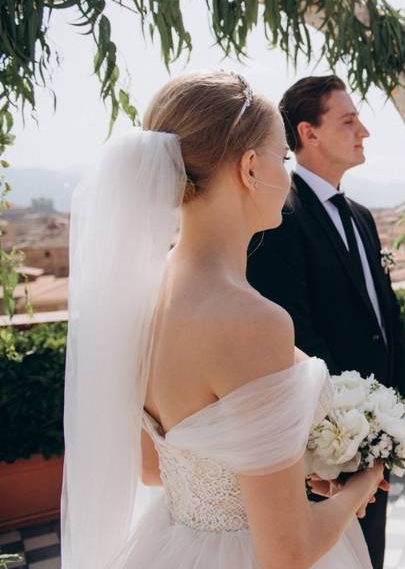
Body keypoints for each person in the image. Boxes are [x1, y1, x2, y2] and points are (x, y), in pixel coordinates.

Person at [61, 71, 386, 569]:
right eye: (282, 157)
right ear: (251, 167)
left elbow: (155, 468)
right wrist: (361, 483)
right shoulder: (251, 321)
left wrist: (285, 472)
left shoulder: (144, 298)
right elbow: (288, 553)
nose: (287, 174)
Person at [247, 75, 405, 569]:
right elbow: (296, 332)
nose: (365, 131)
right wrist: (347, 433)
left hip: (377, 436)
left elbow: (384, 316)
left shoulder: (361, 216)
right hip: (326, 446)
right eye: (349, 120)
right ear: (309, 133)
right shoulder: (280, 217)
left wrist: (399, 407)